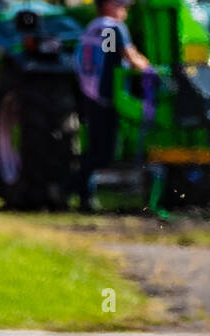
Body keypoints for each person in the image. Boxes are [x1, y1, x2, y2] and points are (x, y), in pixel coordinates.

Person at [73, 0, 153, 212]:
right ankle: (73, 187)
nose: (125, 11)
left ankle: (79, 191)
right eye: (121, 6)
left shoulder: (92, 27)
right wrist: (152, 70)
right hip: (107, 96)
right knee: (104, 152)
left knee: (95, 148)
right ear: (109, 5)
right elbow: (130, 57)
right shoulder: (113, 28)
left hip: (90, 94)